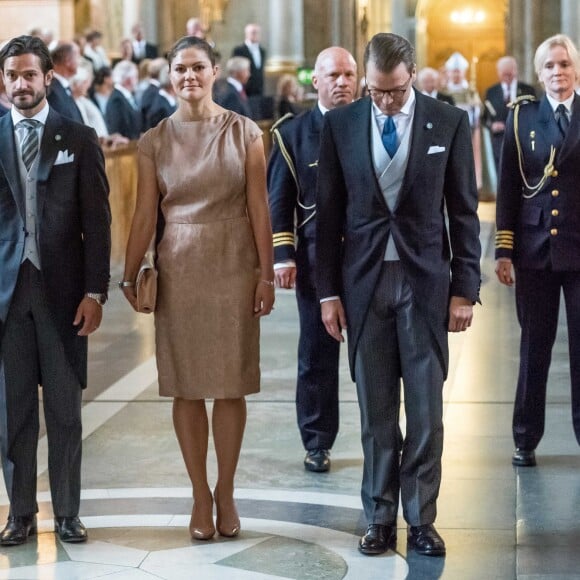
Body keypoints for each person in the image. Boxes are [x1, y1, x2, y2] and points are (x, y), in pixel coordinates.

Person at [316, 33, 481, 557]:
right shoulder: (340, 125)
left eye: (394, 91)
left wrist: (465, 290)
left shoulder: (448, 122)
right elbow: (328, 217)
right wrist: (327, 293)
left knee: (427, 412)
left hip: (426, 283)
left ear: (412, 74)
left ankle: (422, 519)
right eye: (376, 92)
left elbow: (463, 212)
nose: (384, 102)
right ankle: (380, 517)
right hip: (363, 285)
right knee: (377, 412)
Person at [121, 35, 274, 541]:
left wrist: (267, 274)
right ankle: (198, 494)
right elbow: (145, 212)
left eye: (198, 67)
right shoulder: (153, 140)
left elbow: (260, 208)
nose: (189, 76)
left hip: (234, 261)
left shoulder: (246, 132)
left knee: (230, 384)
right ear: (170, 76)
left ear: (214, 72)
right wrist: (128, 272)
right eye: (180, 69)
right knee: (186, 385)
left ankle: (226, 489)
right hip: (179, 266)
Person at [0, 35, 111, 546]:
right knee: (12, 414)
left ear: (48, 77)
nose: (21, 84)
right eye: (12, 75)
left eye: (29, 74)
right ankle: (19, 514)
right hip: (6, 295)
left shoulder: (78, 137)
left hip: (64, 294)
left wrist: (96, 291)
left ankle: (68, 511)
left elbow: (98, 221)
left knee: (64, 412)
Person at [267, 47, 357, 473]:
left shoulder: (370, 125)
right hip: (317, 259)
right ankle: (317, 440)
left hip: (366, 256)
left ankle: (381, 434)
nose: (342, 82)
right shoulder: (293, 133)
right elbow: (279, 199)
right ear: (315, 82)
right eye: (333, 75)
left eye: (349, 74)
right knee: (316, 352)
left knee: (373, 351)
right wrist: (283, 255)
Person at [495, 34, 580, 468]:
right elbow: (509, 187)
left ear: (576, 69)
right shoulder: (521, 119)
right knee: (534, 347)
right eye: (549, 65)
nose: (557, 72)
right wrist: (503, 250)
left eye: (564, 64)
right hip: (534, 250)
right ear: (539, 72)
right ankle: (525, 438)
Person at [482, 56, 536, 174]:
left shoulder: (528, 90)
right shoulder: (491, 92)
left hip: (523, 140)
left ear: (515, 71)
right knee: (501, 174)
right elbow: (485, 118)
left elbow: (535, 114)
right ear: (498, 73)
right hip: (499, 141)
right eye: (503, 74)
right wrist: (492, 125)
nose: (507, 77)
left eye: (509, 73)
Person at [47, 42, 84, 123]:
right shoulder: (52, 91)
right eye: (78, 56)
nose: (80, 61)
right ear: (67, 60)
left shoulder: (63, 87)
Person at [105, 59, 141, 140]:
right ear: (129, 79)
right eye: (136, 77)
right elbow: (117, 131)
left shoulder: (126, 96)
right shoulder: (117, 100)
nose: (137, 80)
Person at [232, 23, 266, 98]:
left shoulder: (262, 51)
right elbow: (235, 71)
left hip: (259, 91)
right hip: (245, 91)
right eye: (253, 32)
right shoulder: (239, 50)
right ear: (246, 34)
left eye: (257, 33)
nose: (255, 35)